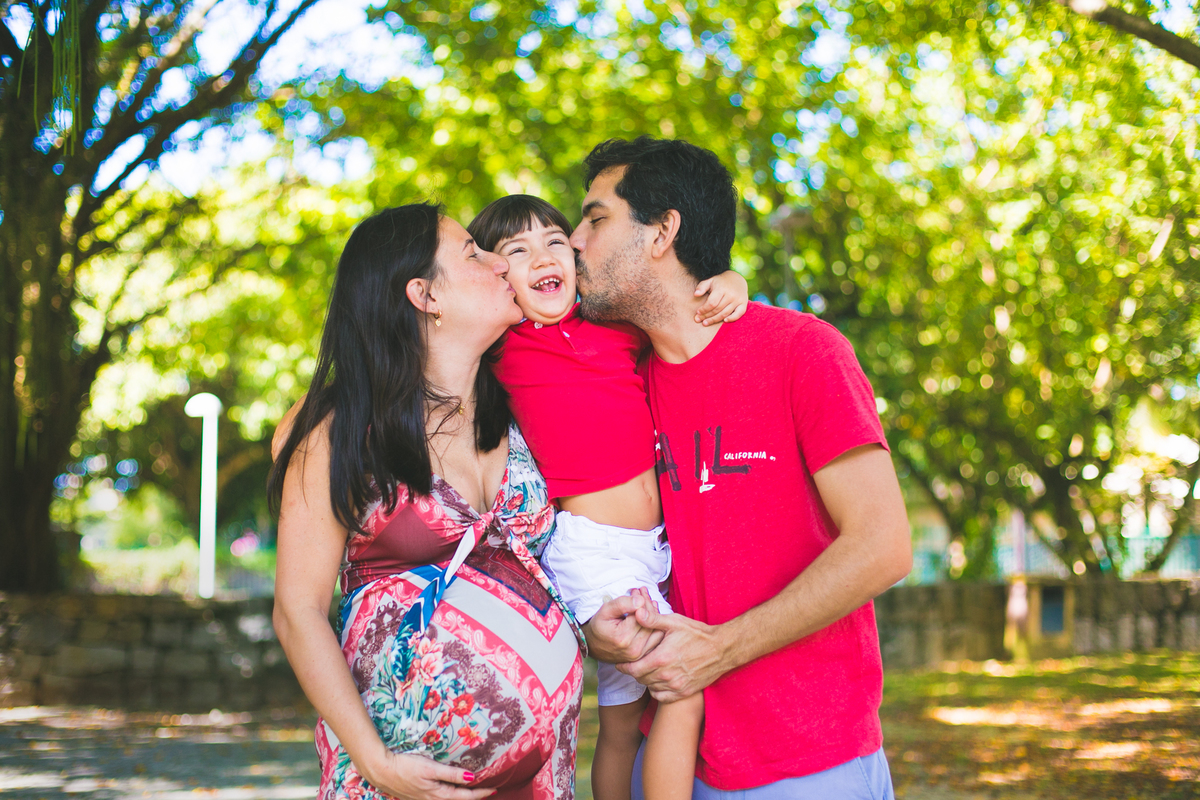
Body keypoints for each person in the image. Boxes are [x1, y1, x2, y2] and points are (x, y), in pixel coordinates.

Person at [574, 137, 914, 800]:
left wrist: (721, 649)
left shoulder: (801, 352)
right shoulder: (612, 381)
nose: (574, 239)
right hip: (665, 759)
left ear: (662, 231)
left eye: (595, 218)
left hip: (804, 762)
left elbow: (883, 546)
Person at [269, 204, 585, 800]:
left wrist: (727, 284)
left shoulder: (527, 398)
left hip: (541, 780)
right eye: (473, 253)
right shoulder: (342, 434)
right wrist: (376, 761)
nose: (499, 263)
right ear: (424, 294)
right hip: (392, 782)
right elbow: (297, 611)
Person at [466, 195, 747, 800]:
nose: (544, 255)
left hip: (654, 547)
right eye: (517, 251)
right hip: (591, 552)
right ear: (496, 277)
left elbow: (681, 305)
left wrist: (730, 280)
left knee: (627, 722)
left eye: (555, 239)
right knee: (678, 691)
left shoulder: (613, 326)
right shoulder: (501, 349)